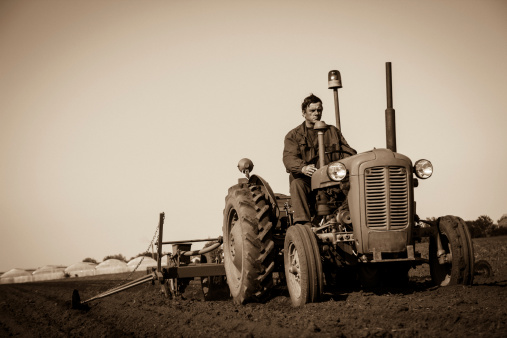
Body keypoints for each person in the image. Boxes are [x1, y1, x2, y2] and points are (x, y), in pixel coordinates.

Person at [282, 94, 356, 224]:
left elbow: (348, 152)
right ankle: (303, 224)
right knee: (297, 184)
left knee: (354, 183)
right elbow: (289, 158)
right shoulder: (293, 135)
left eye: (319, 110)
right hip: (308, 181)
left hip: (333, 179)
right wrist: (303, 168)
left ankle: (352, 216)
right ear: (304, 113)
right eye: (312, 111)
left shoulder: (333, 131)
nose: (316, 113)